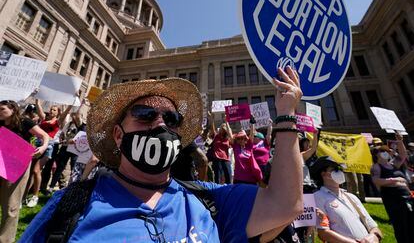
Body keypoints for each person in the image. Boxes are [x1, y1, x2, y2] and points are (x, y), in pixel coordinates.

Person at [21, 67, 303, 242]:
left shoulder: (210, 202)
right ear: (119, 135)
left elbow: (285, 203)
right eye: (145, 115)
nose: (159, 124)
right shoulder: (69, 207)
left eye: (171, 119)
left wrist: (287, 114)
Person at [0, 100, 49, 243]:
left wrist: (43, 147)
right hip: (1, 162)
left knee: (11, 205)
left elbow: (45, 136)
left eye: (2, 109)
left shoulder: (24, 122)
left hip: (17, 166)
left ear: (13, 109)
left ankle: (5, 240)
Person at [311, 156, 383, 243]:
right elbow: (323, 232)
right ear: (323, 174)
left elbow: (373, 226)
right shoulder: (317, 197)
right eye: (336, 169)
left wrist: (374, 236)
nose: (340, 172)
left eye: (341, 169)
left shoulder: (352, 197)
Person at [24, 101, 71, 207]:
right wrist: (37, 99)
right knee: (30, 171)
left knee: (36, 170)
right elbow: (39, 107)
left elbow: (66, 112)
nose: (51, 110)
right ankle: (24, 195)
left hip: (48, 146)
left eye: (54, 110)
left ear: (57, 113)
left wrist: (71, 103)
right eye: (51, 109)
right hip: (36, 145)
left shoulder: (57, 122)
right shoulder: (44, 118)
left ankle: (35, 196)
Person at [371, 133, 413, 243]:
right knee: (401, 224)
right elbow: (376, 180)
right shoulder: (376, 167)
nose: (387, 153)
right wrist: (395, 180)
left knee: (411, 222)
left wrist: (399, 142)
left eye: (387, 151)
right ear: (376, 154)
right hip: (394, 199)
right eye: (383, 151)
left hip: (407, 197)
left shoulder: (394, 164)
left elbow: (403, 155)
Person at [209, 115, 234, 184]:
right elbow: (212, 129)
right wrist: (211, 119)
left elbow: (230, 134)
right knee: (218, 178)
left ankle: (229, 191)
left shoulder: (228, 138)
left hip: (226, 159)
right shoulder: (216, 136)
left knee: (228, 177)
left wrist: (226, 122)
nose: (222, 129)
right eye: (221, 127)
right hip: (217, 159)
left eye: (224, 128)